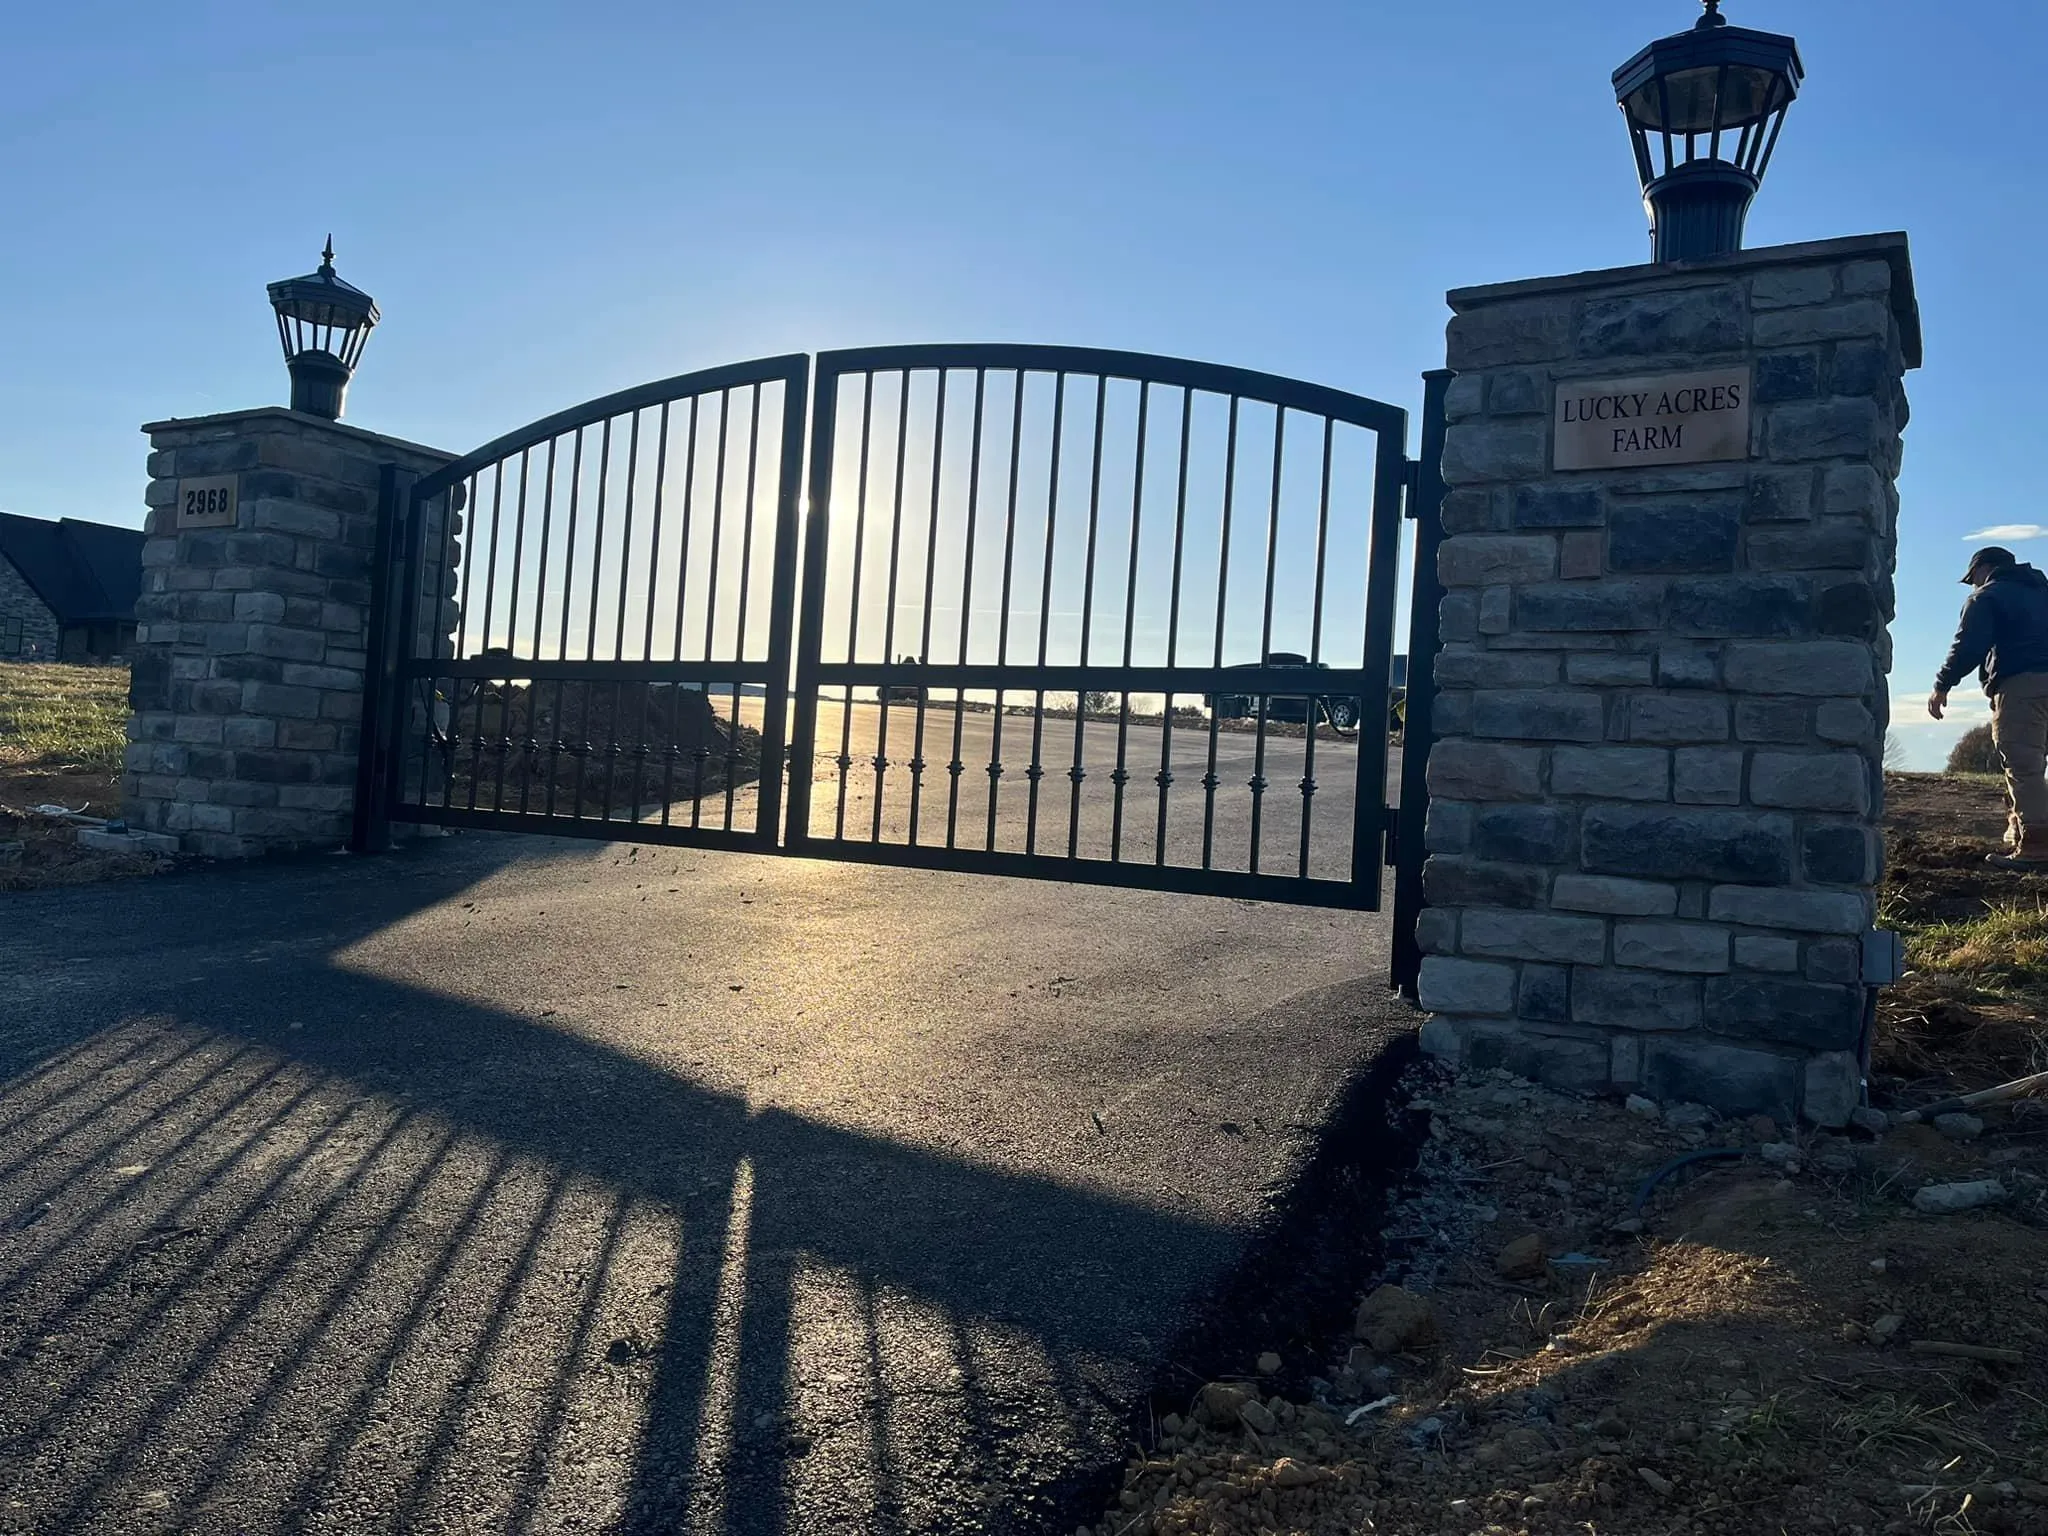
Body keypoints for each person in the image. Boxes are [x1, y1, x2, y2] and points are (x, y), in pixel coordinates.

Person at [1929, 544, 2048, 868]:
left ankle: (2037, 847)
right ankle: (2018, 831)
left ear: (1982, 570)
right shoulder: (2043, 590)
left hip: (2022, 684)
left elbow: (1968, 646)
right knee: (2037, 763)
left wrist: (1942, 685)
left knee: (2022, 762)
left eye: (1972, 579)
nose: (1973, 585)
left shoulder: (1988, 597)